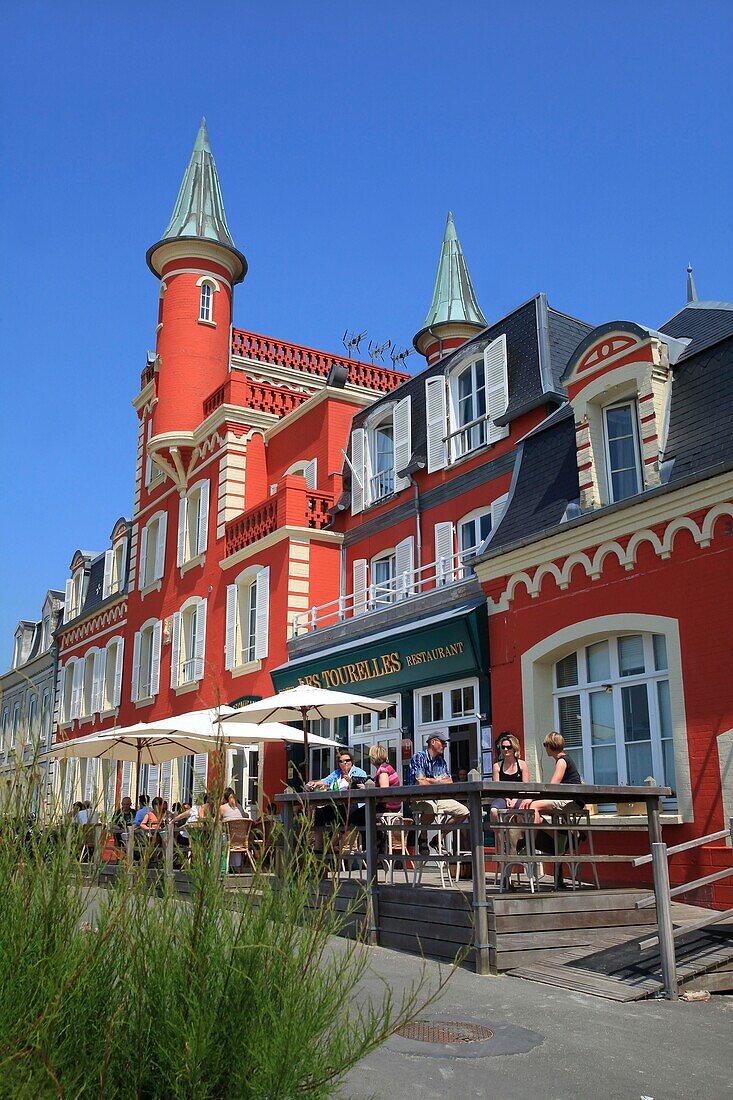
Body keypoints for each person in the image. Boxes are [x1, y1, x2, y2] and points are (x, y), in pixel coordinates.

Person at [521, 731, 586, 889]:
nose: (545, 748)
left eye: (545, 745)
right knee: (535, 807)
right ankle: (559, 835)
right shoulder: (565, 759)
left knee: (534, 806)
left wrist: (532, 798)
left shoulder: (562, 761)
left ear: (550, 746)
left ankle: (529, 846)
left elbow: (552, 786)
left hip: (570, 801)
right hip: (572, 800)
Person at [408, 733, 469, 855]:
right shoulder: (419, 757)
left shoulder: (441, 761)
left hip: (439, 797)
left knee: (464, 811)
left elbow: (449, 782)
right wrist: (437, 782)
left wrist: (432, 780)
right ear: (433, 742)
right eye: (443, 743)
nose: (445, 746)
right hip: (419, 797)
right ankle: (423, 837)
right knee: (432, 808)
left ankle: (438, 838)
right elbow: (420, 782)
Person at [305, 751, 367, 851]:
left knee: (343, 813)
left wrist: (351, 781)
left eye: (347, 760)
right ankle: (317, 848)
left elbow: (362, 786)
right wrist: (315, 784)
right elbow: (325, 781)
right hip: (337, 804)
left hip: (354, 805)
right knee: (320, 812)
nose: (345, 763)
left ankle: (329, 847)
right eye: (341, 761)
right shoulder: (337, 773)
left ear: (352, 761)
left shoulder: (359, 772)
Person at [490, 734, 530, 823]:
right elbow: (497, 788)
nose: (505, 749)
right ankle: (498, 836)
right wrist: (507, 798)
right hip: (503, 797)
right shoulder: (497, 766)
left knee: (522, 811)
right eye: (503, 747)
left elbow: (525, 787)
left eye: (509, 747)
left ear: (514, 748)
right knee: (493, 811)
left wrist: (515, 799)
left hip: (520, 796)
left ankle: (520, 836)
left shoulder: (522, 764)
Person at [368, 745, 401, 812]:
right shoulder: (386, 767)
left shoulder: (383, 770)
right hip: (394, 804)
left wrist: (366, 788)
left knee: (356, 816)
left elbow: (384, 791)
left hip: (388, 806)